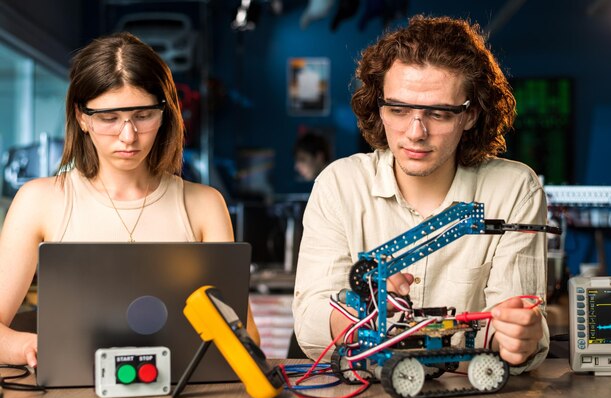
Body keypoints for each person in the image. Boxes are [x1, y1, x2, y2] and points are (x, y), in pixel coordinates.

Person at [292, 15, 549, 374]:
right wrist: (365, 315)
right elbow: (309, 325)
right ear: (379, 106)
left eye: (439, 114)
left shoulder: (514, 191)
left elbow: (510, 327)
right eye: (397, 109)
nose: (415, 132)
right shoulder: (339, 185)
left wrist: (516, 338)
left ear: (471, 114)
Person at [0, 32, 259, 368]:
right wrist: (34, 349)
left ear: (164, 113)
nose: (128, 135)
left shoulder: (204, 205)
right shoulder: (38, 201)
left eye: (143, 116)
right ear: (82, 117)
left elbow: (246, 339)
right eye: (109, 118)